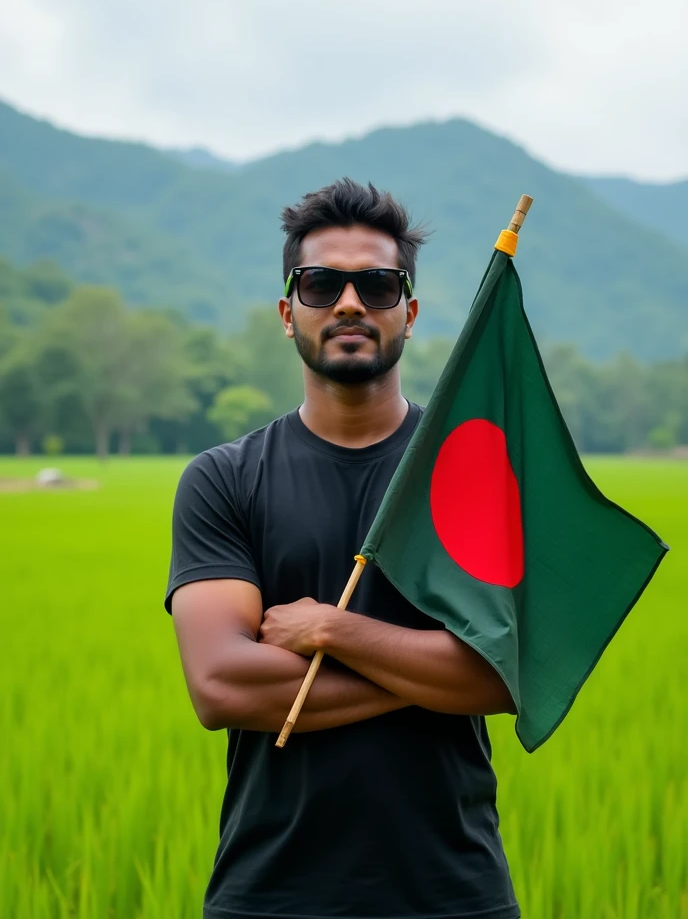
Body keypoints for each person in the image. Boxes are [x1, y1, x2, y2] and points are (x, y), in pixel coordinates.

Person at [166, 178, 521, 919]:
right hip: (270, 894)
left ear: (410, 313)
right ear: (287, 311)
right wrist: (437, 673)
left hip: (452, 895)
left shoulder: (470, 473)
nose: (351, 304)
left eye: (379, 286)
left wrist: (334, 629)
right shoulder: (225, 480)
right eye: (323, 284)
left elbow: (510, 675)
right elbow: (223, 688)